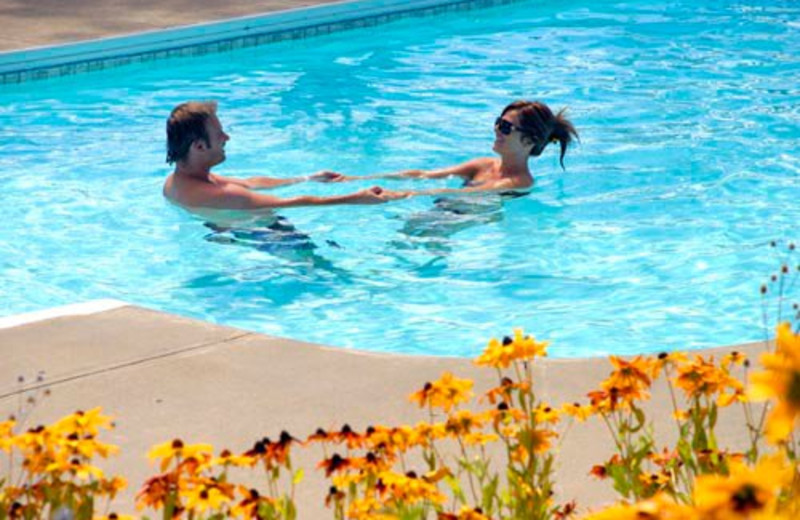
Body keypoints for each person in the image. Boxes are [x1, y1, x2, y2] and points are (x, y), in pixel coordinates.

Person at [162, 101, 397, 217]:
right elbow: (289, 203)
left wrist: (306, 177)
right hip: (258, 234)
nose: (227, 137)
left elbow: (250, 183)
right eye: (219, 134)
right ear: (200, 146)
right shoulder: (219, 194)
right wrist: (353, 198)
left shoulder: (184, 178)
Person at [322, 100, 578, 198]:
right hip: (445, 209)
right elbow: (425, 174)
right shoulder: (484, 165)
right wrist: (356, 178)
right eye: (498, 123)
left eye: (507, 128)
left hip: (459, 220)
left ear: (529, 142)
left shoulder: (518, 182)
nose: (497, 130)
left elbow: (457, 194)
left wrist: (397, 195)